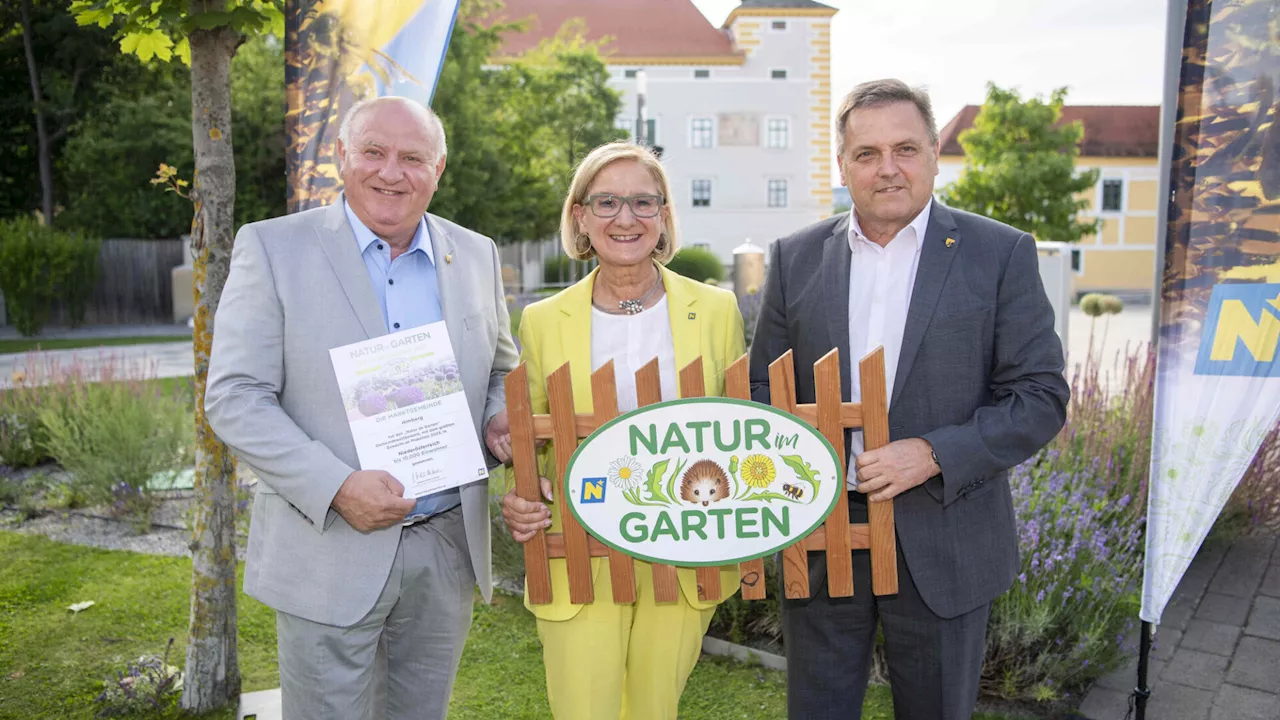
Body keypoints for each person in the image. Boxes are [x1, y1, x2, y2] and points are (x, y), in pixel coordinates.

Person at [748, 79, 1070, 719]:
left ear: (934, 153)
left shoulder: (999, 253)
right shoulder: (794, 259)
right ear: (843, 166)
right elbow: (764, 391)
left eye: (905, 148)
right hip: (821, 540)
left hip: (945, 540)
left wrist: (931, 453)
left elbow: (1039, 397)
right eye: (866, 154)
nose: (887, 168)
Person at [205, 96, 518, 720]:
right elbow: (235, 397)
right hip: (328, 545)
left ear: (439, 168)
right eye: (373, 152)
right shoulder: (273, 248)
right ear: (342, 157)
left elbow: (501, 370)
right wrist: (336, 484)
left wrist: (496, 416)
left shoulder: (475, 253)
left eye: (412, 158)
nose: (390, 172)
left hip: (444, 545)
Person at [500, 141, 744, 719]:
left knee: (655, 711)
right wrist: (520, 495)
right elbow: (529, 437)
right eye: (606, 201)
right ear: (580, 217)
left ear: (663, 217)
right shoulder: (541, 320)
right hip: (577, 545)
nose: (625, 218)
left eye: (643, 202)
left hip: (686, 546)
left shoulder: (716, 311)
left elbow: (737, 427)